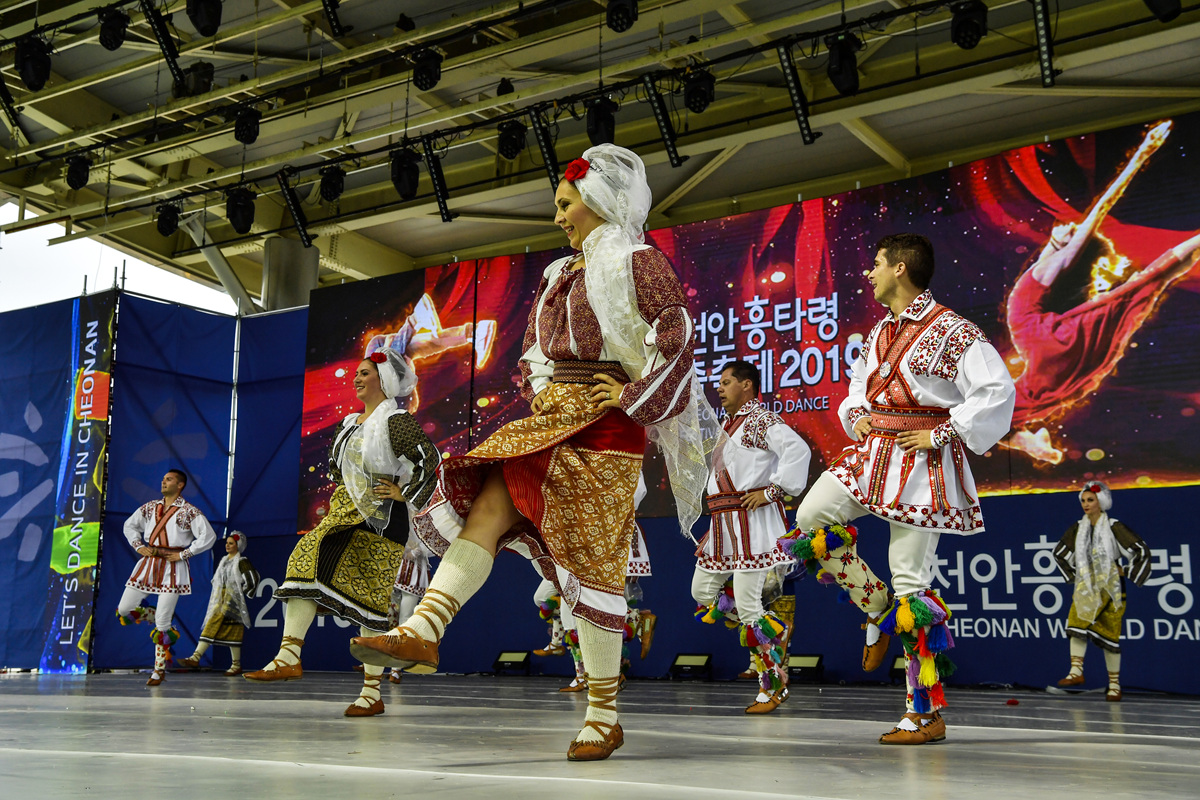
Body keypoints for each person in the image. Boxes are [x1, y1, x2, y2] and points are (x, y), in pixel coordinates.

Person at [351, 144, 717, 761]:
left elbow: (677, 339)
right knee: (488, 504)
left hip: (606, 429)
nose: (558, 217)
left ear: (597, 201)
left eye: (566, 204)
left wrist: (630, 394)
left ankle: (603, 714)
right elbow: (533, 354)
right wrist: (545, 391)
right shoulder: (556, 275)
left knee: (591, 562)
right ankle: (424, 628)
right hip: (550, 420)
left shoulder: (641, 261)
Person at [789, 233, 1015, 744]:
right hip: (874, 452)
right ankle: (875, 607)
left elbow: (996, 390)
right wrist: (856, 415)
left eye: (876, 263)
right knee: (811, 517)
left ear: (900, 268)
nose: (869, 273)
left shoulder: (953, 330)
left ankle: (923, 713)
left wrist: (944, 432)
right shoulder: (880, 331)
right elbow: (857, 388)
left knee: (912, 585)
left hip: (921, 463)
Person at [244, 349, 440, 718]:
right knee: (307, 558)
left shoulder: (396, 421)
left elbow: (429, 460)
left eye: (365, 373)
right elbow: (338, 471)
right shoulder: (349, 423)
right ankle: (289, 656)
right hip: (345, 510)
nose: (356, 378)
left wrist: (404, 492)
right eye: (357, 373)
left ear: (384, 380)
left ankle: (370, 693)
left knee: (371, 599)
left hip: (383, 516)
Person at [1004, 121, 1200, 463]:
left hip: (1048, 346)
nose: (1069, 227)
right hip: (1048, 342)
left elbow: (1093, 218)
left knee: (1011, 408)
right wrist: (1142, 152)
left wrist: (1143, 153)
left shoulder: (1049, 269)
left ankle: (1027, 442)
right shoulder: (1053, 267)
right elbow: (1099, 210)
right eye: (1067, 229)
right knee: (1147, 283)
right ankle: (1026, 440)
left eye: (1070, 230)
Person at [692, 361, 811, 714]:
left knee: (748, 608)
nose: (719, 387)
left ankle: (772, 685)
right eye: (718, 382)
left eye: (726, 381)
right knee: (702, 592)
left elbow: (798, 450)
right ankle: (771, 629)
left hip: (750, 523)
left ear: (747, 385)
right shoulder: (729, 424)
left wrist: (773, 491)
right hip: (723, 525)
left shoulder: (759, 419)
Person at [117, 468, 217, 686]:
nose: (163, 482)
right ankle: (155, 616)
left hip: (173, 567)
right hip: (149, 563)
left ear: (180, 485)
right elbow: (129, 525)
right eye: (163, 479)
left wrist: (184, 554)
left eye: (169, 479)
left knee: (163, 622)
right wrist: (138, 545)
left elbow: (208, 537)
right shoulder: (150, 507)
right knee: (124, 609)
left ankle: (158, 669)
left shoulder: (189, 511)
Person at [1052, 481, 1150, 701]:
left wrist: (1125, 570)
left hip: (1111, 587)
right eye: (1083, 500)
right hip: (1087, 586)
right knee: (1076, 622)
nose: (1086, 504)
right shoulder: (1078, 528)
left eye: (1090, 500)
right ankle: (1076, 671)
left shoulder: (1114, 526)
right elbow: (1059, 553)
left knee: (1110, 636)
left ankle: (1114, 685)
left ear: (1101, 501)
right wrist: (1078, 573)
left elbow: (1140, 550)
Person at [176, 531, 260, 675]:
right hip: (221, 598)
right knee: (226, 628)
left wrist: (240, 592)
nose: (227, 545)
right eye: (227, 543)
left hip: (232, 599)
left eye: (231, 543)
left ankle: (197, 657)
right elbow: (217, 581)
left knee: (222, 626)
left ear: (238, 545)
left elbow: (253, 578)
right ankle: (232, 664)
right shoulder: (224, 561)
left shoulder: (241, 561)